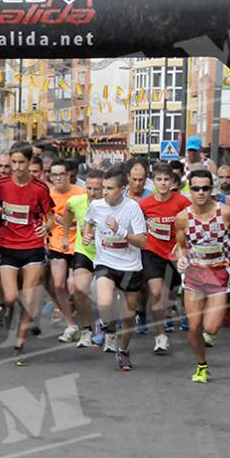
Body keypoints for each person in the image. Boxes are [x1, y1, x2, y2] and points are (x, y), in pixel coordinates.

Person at [174, 170, 230, 383]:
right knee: (194, 327)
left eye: (205, 188)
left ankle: (211, 329)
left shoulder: (225, 212)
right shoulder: (182, 218)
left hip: (218, 273)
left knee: (211, 328)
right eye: (196, 188)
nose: (201, 192)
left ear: (211, 189)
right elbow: (181, 246)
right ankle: (202, 365)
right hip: (194, 274)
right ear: (189, 189)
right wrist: (181, 259)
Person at [0, 143, 55, 366]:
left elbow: (50, 216)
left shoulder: (40, 187)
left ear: (29, 163)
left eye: (21, 163)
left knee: (27, 298)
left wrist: (47, 227)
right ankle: (8, 309)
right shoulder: (1, 185)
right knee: (10, 297)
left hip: (32, 246)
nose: (17, 167)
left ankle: (19, 344)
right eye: (13, 162)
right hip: (7, 245)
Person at [81, 165, 147, 371]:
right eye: (104, 187)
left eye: (109, 188)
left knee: (128, 316)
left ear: (122, 189)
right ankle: (107, 325)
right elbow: (88, 222)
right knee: (104, 302)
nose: (104, 192)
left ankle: (123, 351)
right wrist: (86, 234)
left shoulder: (133, 208)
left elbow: (142, 242)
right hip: (105, 262)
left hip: (130, 266)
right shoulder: (96, 205)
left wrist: (121, 232)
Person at [138, 162, 190, 353]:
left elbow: (192, 223)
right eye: (158, 179)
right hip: (152, 251)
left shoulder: (182, 202)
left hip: (175, 252)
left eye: (166, 179)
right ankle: (160, 335)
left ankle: (170, 312)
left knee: (171, 292)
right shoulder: (144, 204)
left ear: (173, 181)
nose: (162, 183)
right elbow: (136, 225)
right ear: (153, 181)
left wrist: (184, 243)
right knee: (156, 292)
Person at [60, 169, 103, 348]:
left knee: (104, 297)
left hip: (107, 255)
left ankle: (105, 326)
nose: (92, 193)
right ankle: (86, 329)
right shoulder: (76, 201)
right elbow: (67, 211)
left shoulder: (112, 205)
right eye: (89, 188)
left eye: (97, 189)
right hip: (84, 251)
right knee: (79, 289)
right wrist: (65, 236)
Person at [47, 158, 85, 342]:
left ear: (69, 174)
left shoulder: (81, 193)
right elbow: (44, 219)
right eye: (54, 175)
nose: (58, 178)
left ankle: (86, 324)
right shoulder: (47, 195)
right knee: (58, 285)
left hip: (79, 244)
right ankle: (71, 325)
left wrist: (74, 221)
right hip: (57, 243)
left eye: (61, 174)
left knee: (74, 287)